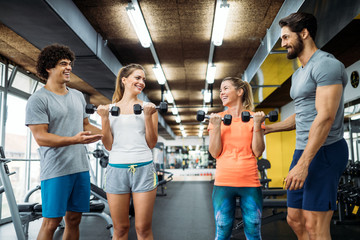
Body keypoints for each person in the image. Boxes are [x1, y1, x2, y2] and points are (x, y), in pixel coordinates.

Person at [264, 12, 349, 240]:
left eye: (285, 37)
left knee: (315, 224)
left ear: (304, 33)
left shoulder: (327, 65)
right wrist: (269, 128)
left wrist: (303, 164)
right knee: (295, 219)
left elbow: (325, 117)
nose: (283, 44)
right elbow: (302, 116)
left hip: (325, 150)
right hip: (303, 149)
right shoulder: (298, 74)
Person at [25, 44, 103, 240]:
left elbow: (85, 125)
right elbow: (41, 137)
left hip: (80, 168)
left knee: (75, 219)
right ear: (48, 68)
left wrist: (107, 133)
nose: (68, 67)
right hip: (56, 170)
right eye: (62, 64)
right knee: (51, 222)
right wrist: (74, 140)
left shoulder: (77, 96)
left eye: (69, 64)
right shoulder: (38, 99)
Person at [96, 64, 158, 240]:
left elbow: (152, 143)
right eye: (137, 78)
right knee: (120, 228)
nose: (141, 82)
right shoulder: (108, 109)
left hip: (143, 168)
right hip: (116, 169)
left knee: (143, 228)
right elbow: (108, 145)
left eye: (143, 79)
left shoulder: (149, 108)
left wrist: (147, 116)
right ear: (124, 80)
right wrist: (104, 119)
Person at [208, 76, 266, 240]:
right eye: (220, 90)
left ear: (240, 91)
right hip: (223, 183)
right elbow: (214, 153)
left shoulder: (255, 118)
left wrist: (257, 125)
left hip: (250, 182)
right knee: (222, 232)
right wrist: (217, 126)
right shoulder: (216, 119)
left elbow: (258, 151)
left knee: (254, 232)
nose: (221, 93)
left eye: (225, 88)